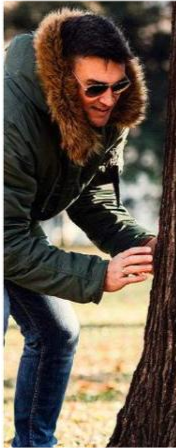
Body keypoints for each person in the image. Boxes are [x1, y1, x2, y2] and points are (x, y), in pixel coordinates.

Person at [4, 9, 157, 448]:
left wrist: (142, 242)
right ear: (61, 80)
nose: (108, 99)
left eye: (118, 85)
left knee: (56, 333)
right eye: (95, 88)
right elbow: (5, 240)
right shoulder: (10, 116)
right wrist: (95, 275)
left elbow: (94, 197)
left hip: (11, 226)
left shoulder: (107, 117)